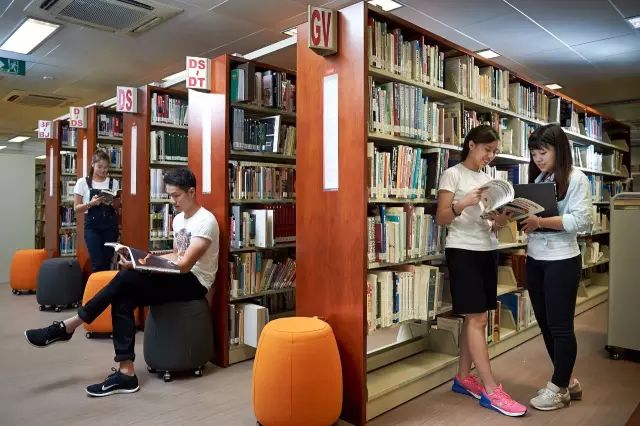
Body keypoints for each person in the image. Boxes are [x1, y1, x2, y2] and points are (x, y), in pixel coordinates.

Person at [25, 168, 220, 397]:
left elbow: (185, 265)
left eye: (176, 195)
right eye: (169, 195)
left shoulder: (206, 221)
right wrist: (142, 260)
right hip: (176, 275)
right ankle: (126, 372)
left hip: (195, 281)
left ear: (192, 192)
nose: (172, 201)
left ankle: (70, 325)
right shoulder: (178, 219)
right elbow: (177, 254)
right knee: (123, 294)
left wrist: (145, 266)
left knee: (127, 278)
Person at [436, 125, 527, 417]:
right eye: (487, 149)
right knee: (477, 319)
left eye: (495, 151)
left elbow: (489, 224)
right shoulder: (452, 174)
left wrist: (500, 221)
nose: (491, 155)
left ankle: (464, 377)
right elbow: (441, 217)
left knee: (475, 318)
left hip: (487, 249)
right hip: (463, 251)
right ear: (472, 145)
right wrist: (462, 204)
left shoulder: (489, 180)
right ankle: (491, 390)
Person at [521, 124, 592, 410]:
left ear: (559, 150)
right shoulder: (540, 178)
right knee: (545, 323)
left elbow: (582, 221)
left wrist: (540, 222)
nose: (538, 158)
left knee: (561, 326)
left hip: (562, 260)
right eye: (533, 153)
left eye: (543, 152)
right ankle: (567, 381)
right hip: (536, 258)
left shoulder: (576, 178)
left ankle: (559, 388)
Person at [73, 150, 120, 272]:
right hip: (92, 227)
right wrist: (91, 203)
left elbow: (117, 206)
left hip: (110, 226)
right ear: (92, 164)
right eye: (100, 167)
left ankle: (106, 284)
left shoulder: (113, 183)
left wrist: (113, 202)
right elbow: (76, 208)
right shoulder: (83, 182)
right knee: (97, 262)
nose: (103, 170)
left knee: (107, 261)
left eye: (106, 167)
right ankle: (97, 284)